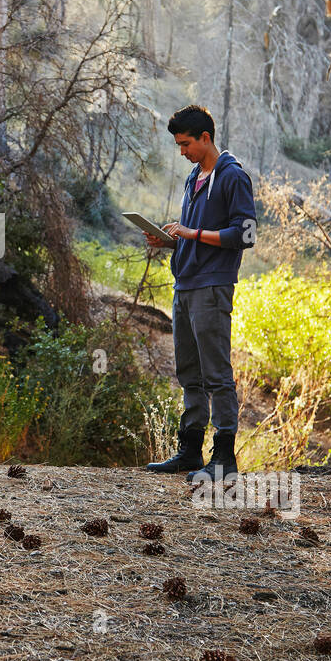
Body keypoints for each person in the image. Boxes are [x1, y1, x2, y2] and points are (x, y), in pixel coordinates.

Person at [143, 105, 256, 481]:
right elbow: (195, 237)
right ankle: (190, 451)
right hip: (185, 285)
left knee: (216, 374)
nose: (182, 152)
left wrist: (192, 234)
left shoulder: (232, 177)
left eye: (186, 144)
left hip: (212, 286)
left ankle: (224, 459)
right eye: (178, 145)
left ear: (205, 137)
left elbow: (246, 234)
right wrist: (169, 242)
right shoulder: (194, 177)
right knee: (189, 371)